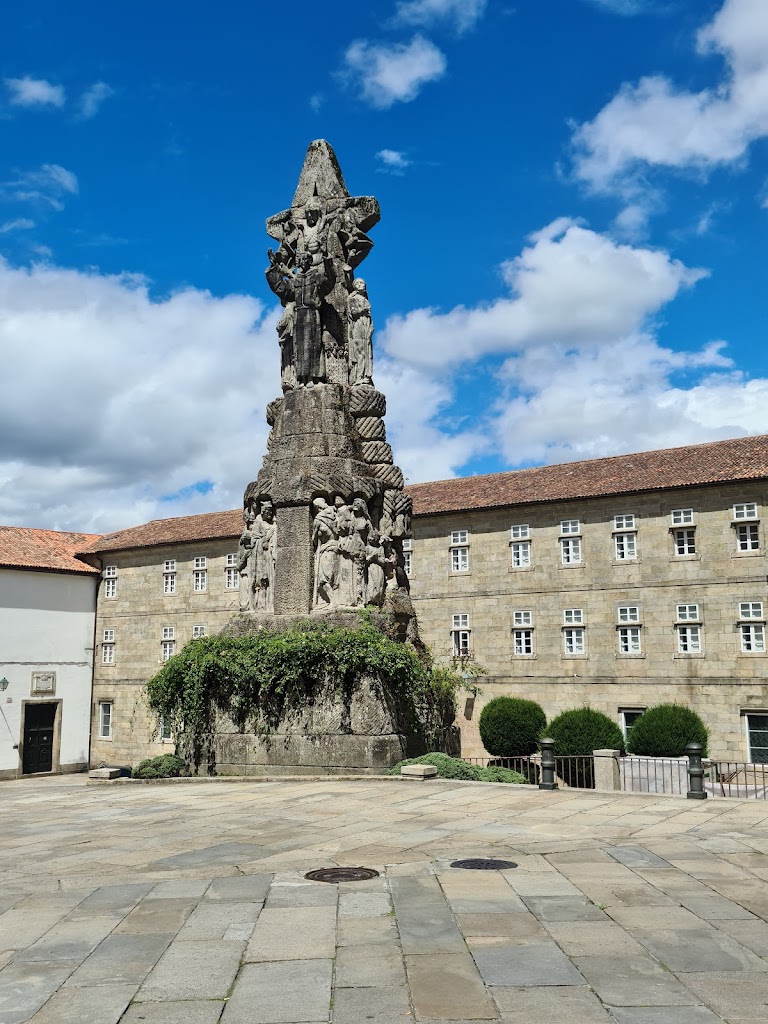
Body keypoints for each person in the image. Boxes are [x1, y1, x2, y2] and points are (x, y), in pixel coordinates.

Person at [347, 279, 373, 386]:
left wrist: (371, 326)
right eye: (358, 283)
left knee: (367, 351)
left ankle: (366, 375)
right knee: (359, 351)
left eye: (362, 283)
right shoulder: (353, 299)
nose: (361, 285)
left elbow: (370, 317)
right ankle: (358, 377)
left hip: (366, 325)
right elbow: (353, 313)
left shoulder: (365, 299)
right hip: (358, 325)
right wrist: (363, 310)